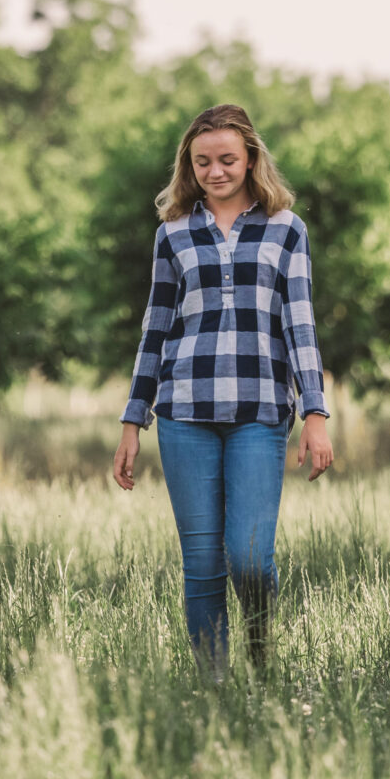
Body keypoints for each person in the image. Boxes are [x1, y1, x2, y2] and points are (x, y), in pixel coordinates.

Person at [112, 103, 335, 669]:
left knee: (251, 558)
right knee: (204, 566)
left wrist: (315, 412)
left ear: (251, 159)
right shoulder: (173, 233)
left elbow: (300, 322)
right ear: (189, 166)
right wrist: (134, 419)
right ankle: (212, 689)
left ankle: (260, 661)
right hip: (183, 411)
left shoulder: (286, 229)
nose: (215, 171)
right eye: (203, 162)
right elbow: (156, 327)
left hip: (260, 411)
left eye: (228, 159)